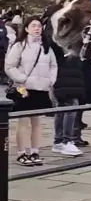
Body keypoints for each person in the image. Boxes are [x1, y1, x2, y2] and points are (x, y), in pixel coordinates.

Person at [5, 15, 58, 166]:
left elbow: (53, 65)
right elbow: (9, 66)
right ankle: (22, 152)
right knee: (23, 122)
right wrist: (21, 78)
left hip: (41, 88)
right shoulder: (20, 45)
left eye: (39, 26)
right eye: (33, 26)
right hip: (25, 88)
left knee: (37, 122)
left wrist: (50, 80)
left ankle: (35, 151)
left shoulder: (46, 47)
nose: (37, 29)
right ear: (27, 29)